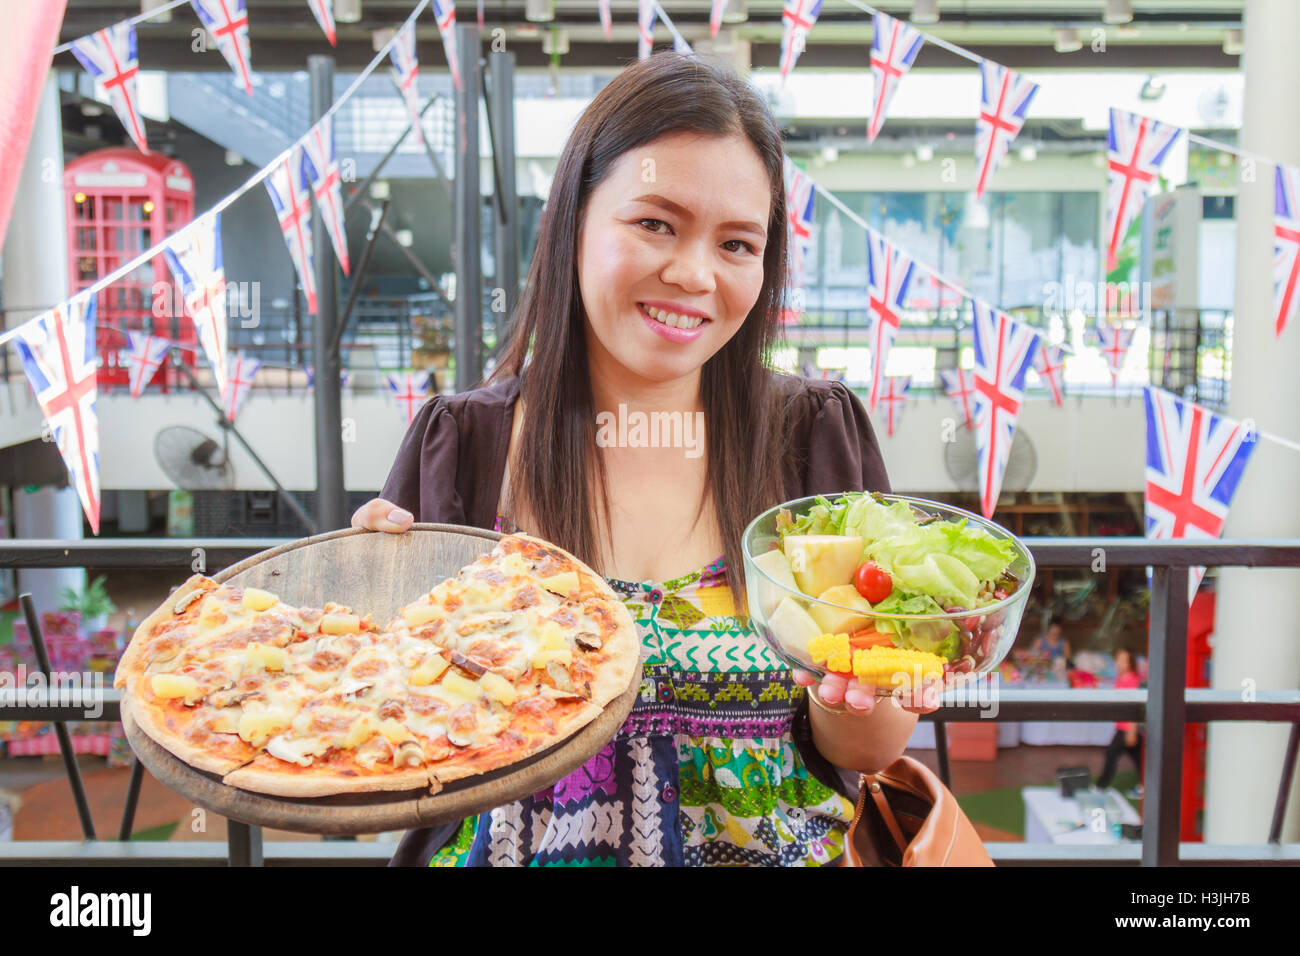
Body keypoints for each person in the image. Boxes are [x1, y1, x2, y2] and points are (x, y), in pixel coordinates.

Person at [350, 52, 941, 867]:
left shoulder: (811, 435)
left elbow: (864, 751)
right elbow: (394, 746)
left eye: (737, 244)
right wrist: (364, 638)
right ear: (574, 221)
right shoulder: (465, 445)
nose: (695, 273)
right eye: (656, 223)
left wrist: (864, 689)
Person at [1096, 647, 1143, 796]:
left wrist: (1132, 730)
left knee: (1111, 754)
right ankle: (1145, 785)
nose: (1118, 663)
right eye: (1118, 659)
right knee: (1139, 759)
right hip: (1122, 726)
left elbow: (1136, 707)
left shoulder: (1133, 680)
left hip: (1128, 727)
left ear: (1130, 663)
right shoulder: (1120, 678)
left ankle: (1101, 786)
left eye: (1123, 660)